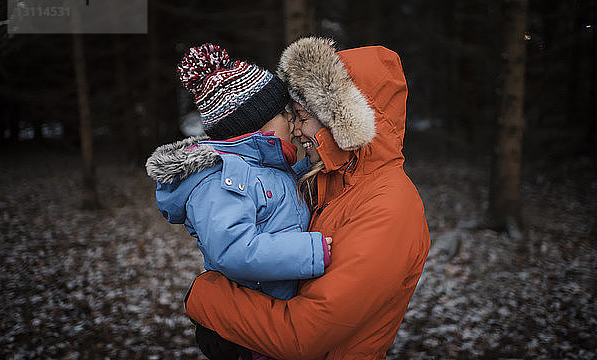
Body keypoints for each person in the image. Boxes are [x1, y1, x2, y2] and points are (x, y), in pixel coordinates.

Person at [185, 37, 431, 359]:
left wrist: (204, 295)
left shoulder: (389, 209)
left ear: (340, 121)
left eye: (301, 116)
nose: (296, 130)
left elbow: (302, 336)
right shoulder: (325, 179)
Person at [145, 43, 332, 359]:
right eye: (284, 114)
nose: (292, 123)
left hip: (274, 312)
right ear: (257, 124)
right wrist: (311, 251)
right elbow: (232, 250)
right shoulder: (222, 179)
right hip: (247, 332)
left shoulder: (267, 167)